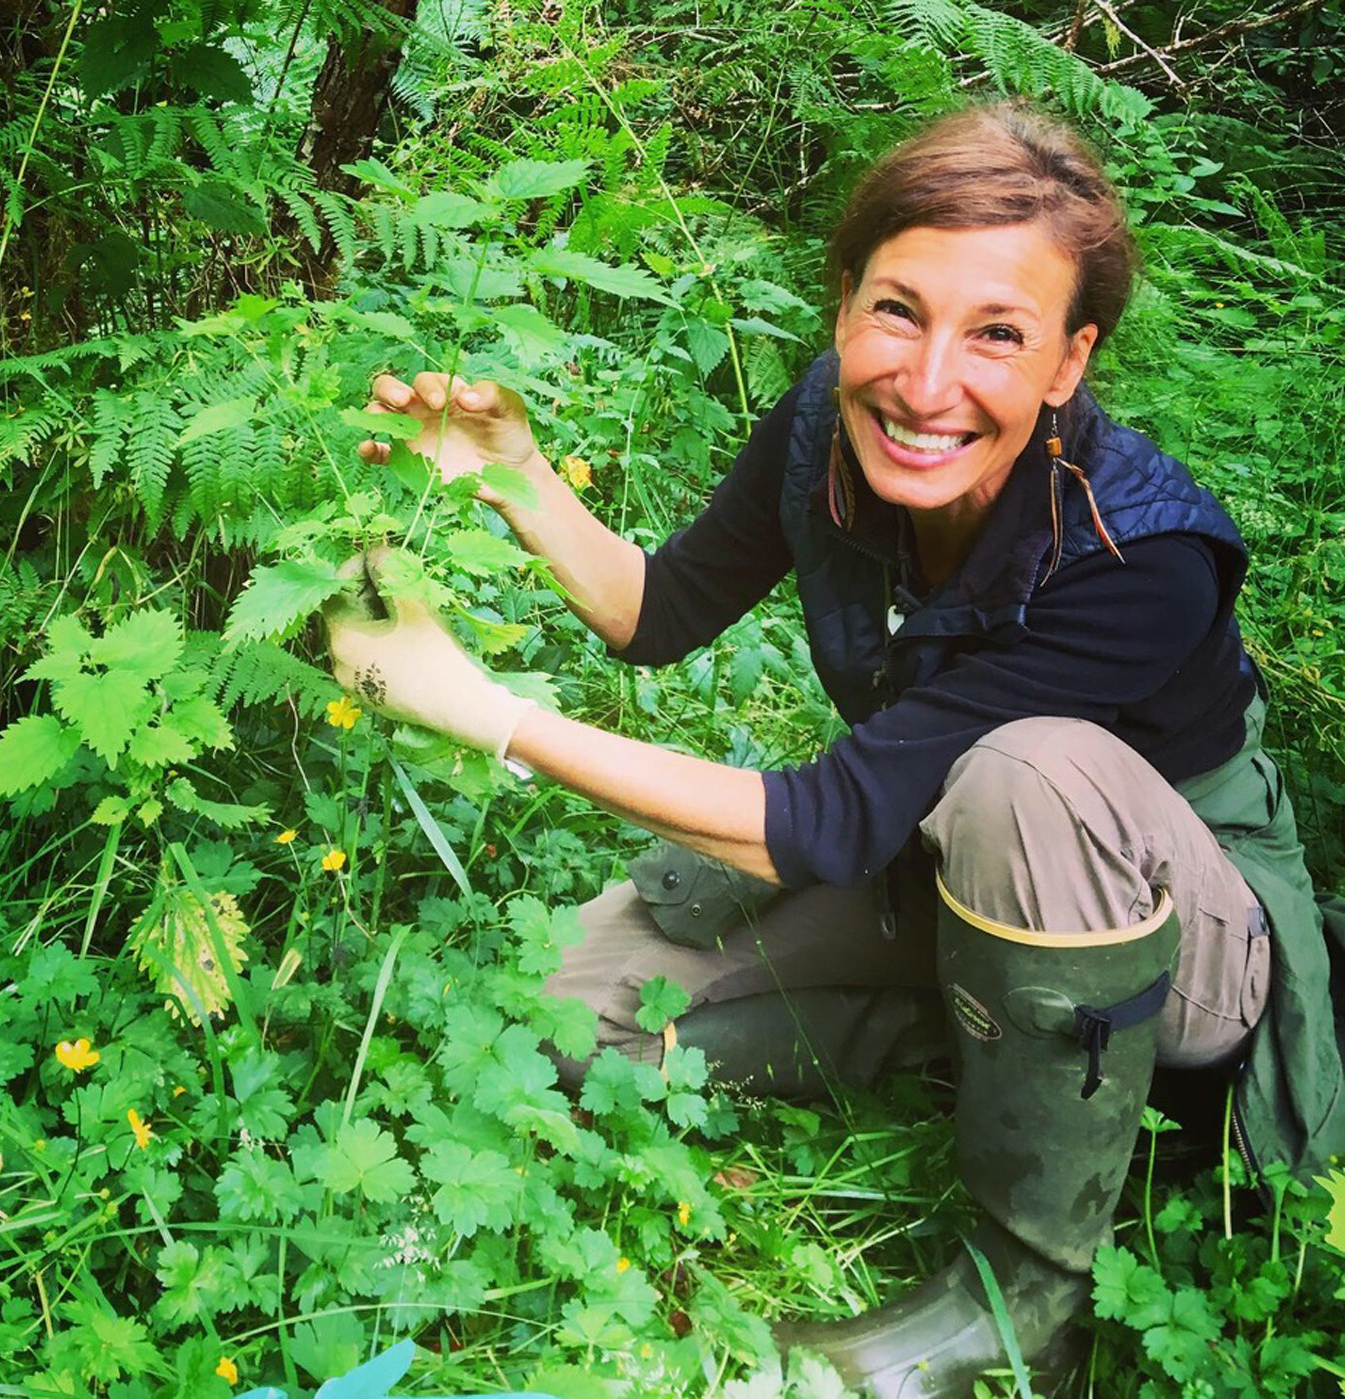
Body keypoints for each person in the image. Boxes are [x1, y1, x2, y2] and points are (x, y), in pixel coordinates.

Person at [324, 102, 1345, 1397]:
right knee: (578, 1016)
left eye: (998, 336)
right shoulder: (827, 426)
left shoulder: (1141, 556)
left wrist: (483, 710)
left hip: (1188, 938)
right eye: (898, 311)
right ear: (843, 299)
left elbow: (832, 819)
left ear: (1070, 362)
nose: (926, 385)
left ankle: (1020, 1300)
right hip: (937, 860)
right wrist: (516, 472)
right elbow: (661, 609)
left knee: (1029, 771)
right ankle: (987, 1045)